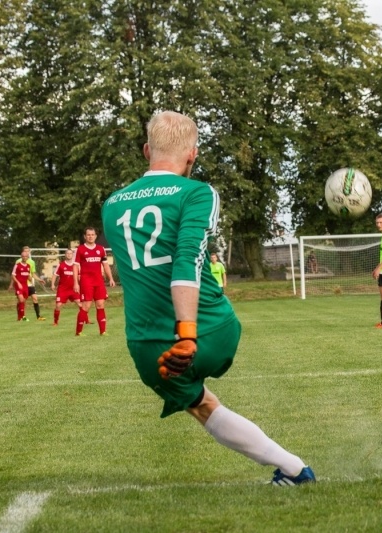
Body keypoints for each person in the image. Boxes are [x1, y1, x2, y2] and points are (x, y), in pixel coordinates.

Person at [101, 110, 314, 485]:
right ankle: (294, 470)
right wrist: (187, 332)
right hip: (210, 329)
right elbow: (186, 260)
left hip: (148, 346)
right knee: (204, 396)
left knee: (201, 406)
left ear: (147, 150)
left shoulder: (113, 204)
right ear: (192, 154)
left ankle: (293, 468)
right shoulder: (197, 193)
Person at [73, 227, 115, 336]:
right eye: (88, 235)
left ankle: (103, 331)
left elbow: (105, 265)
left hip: (98, 281)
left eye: (92, 234)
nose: (90, 236)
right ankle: (78, 332)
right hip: (86, 281)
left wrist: (111, 278)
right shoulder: (80, 249)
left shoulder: (101, 249)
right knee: (86, 306)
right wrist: (76, 282)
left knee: (100, 305)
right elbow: (75, 266)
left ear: (96, 236)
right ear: (85, 236)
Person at [9, 246, 47, 320]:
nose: (26, 253)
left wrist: (39, 279)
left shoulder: (31, 262)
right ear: (22, 253)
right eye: (25, 251)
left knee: (35, 298)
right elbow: (14, 274)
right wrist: (11, 284)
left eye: (28, 251)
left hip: (29, 284)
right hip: (20, 284)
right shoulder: (18, 262)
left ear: (29, 253)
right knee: (21, 301)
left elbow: (32, 274)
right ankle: (21, 316)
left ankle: (38, 317)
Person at [51, 249, 82, 325]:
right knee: (58, 305)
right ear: (65, 255)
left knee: (80, 304)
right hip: (63, 289)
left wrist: (81, 285)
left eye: (70, 253)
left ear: (72, 255)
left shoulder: (76, 266)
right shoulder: (61, 265)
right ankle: (55, 322)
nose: (69, 255)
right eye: (67, 253)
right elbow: (55, 275)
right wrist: (52, 284)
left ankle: (86, 320)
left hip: (73, 289)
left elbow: (79, 276)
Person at [11, 251, 32, 322]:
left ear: (28, 257)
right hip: (18, 285)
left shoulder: (28, 266)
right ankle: (23, 317)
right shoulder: (17, 265)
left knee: (22, 302)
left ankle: (19, 317)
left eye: (26, 256)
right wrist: (18, 283)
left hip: (25, 286)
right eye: (23, 256)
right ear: (21, 257)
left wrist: (30, 278)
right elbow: (13, 275)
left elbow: (28, 275)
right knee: (21, 300)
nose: (24, 257)